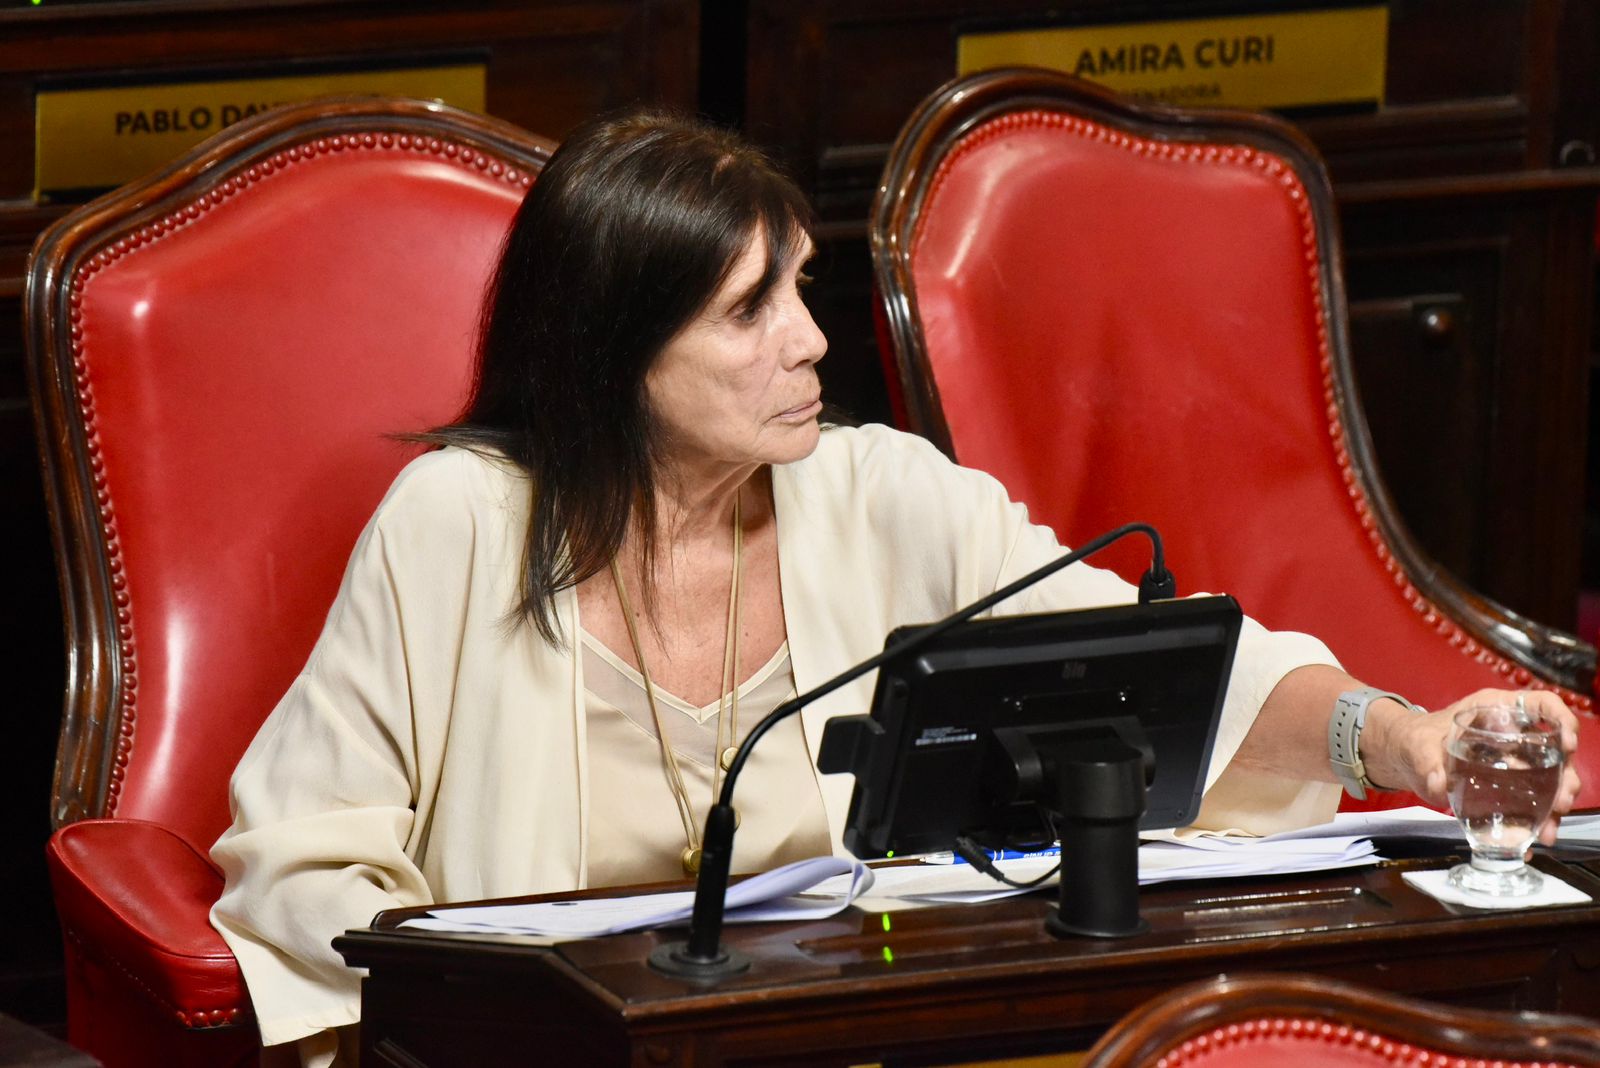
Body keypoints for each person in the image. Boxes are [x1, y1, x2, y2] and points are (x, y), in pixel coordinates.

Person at [209, 108, 1582, 1067]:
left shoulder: (884, 494)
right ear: (616, 350)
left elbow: (1163, 678)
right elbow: (307, 861)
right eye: (749, 311)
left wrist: (1399, 739)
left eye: (802, 290)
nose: (812, 342)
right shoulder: (457, 521)